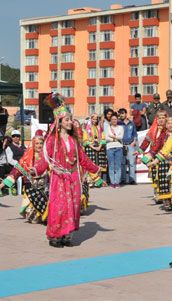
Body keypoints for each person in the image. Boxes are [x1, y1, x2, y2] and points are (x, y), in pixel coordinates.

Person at [8, 93, 102, 248]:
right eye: (67, 119)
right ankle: (54, 236)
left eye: (71, 119)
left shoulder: (73, 140)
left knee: (73, 206)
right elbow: (45, 159)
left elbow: (82, 159)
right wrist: (36, 169)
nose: (70, 122)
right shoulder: (52, 140)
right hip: (59, 178)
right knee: (59, 207)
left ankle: (67, 235)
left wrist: (96, 169)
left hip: (73, 178)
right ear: (59, 122)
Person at [0, 131, 49, 223]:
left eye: (41, 143)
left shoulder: (48, 157)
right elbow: (16, 172)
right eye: (37, 143)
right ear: (33, 144)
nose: (39, 145)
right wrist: (2, 184)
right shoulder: (26, 159)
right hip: (31, 187)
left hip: (45, 187)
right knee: (33, 219)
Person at [139, 110, 171, 209]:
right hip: (154, 155)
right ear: (156, 119)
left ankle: (167, 199)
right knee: (155, 177)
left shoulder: (169, 130)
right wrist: (140, 151)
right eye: (159, 118)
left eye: (163, 118)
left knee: (166, 178)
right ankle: (157, 195)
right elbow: (146, 141)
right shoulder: (153, 130)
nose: (161, 120)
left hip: (166, 156)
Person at [83, 113, 108, 186]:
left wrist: (100, 146)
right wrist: (93, 147)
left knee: (99, 164)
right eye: (93, 118)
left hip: (99, 148)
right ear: (91, 119)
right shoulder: (86, 129)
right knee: (91, 164)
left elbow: (103, 138)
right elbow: (85, 140)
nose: (95, 120)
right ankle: (90, 181)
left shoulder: (100, 127)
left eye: (96, 119)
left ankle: (98, 182)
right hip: (90, 148)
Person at [118, 109, 138, 185]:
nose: (121, 115)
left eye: (122, 113)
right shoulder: (118, 123)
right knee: (122, 163)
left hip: (130, 145)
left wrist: (134, 141)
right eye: (120, 114)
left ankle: (132, 179)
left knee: (132, 163)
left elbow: (135, 134)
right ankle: (123, 179)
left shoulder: (131, 123)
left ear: (126, 114)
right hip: (121, 145)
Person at [105, 114, 124, 188]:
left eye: (115, 119)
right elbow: (106, 138)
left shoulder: (121, 128)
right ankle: (112, 182)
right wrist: (115, 138)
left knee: (118, 166)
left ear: (117, 120)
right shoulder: (108, 128)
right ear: (110, 120)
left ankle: (117, 182)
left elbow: (121, 137)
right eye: (112, 119)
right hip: (110, 147)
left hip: (119, 147)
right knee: (111, 165)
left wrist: (112, 136)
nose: (114, 121)